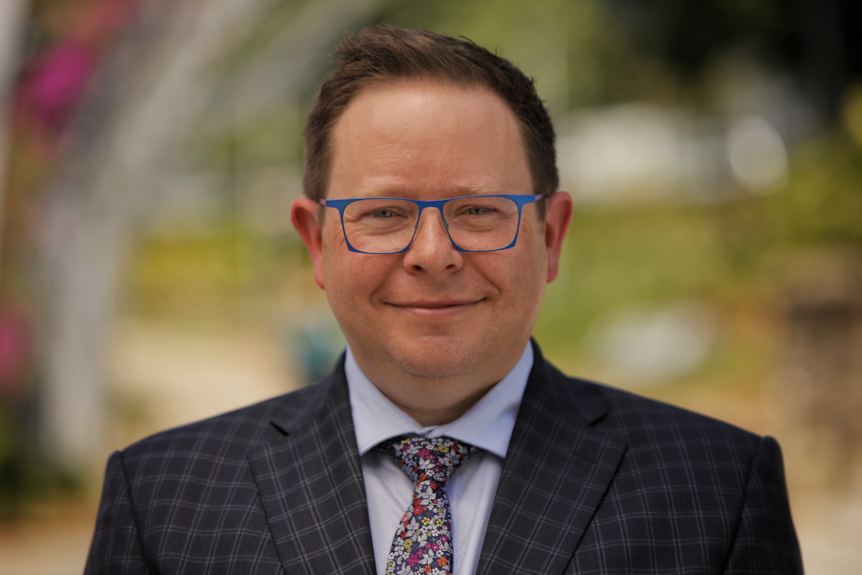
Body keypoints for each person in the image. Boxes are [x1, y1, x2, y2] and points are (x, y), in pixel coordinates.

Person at [85, 26, 803, 574]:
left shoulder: (718, 490)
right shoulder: (162, 499)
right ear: (315, 242)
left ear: (550, 235)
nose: (433, 254)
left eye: (479, 211)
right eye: (385, 214)